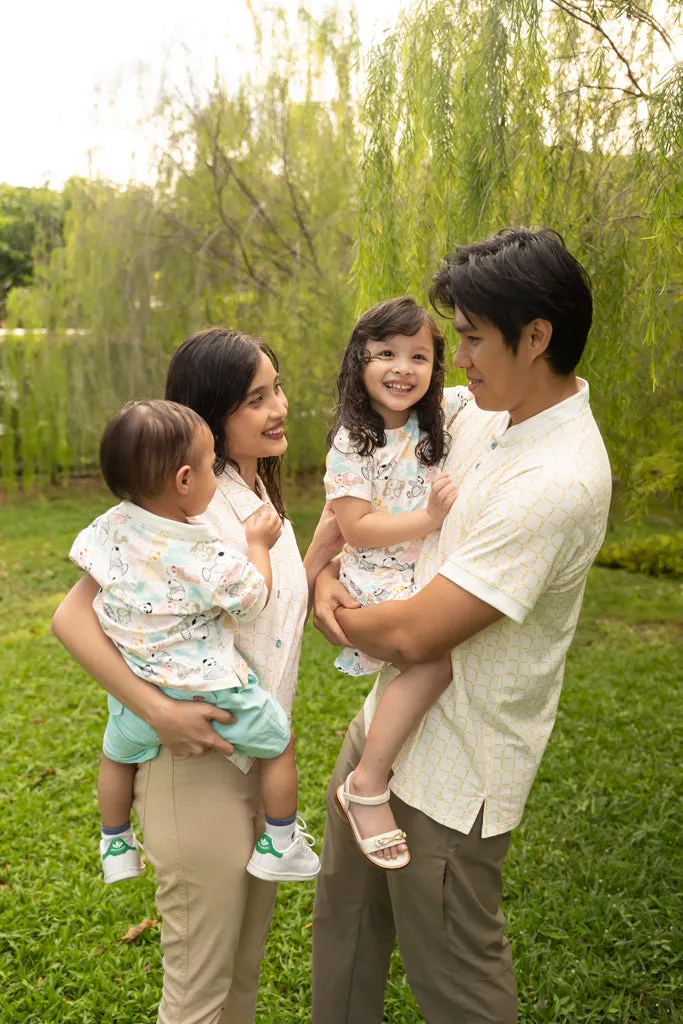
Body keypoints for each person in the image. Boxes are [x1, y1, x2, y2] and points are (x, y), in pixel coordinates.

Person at [312, 228, 612, 1024]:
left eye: (473, 339)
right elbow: (367, 464)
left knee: (457, 985)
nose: (457, 359)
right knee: (343, 929)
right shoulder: (480, 409)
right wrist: (319, 568)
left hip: (454, 765)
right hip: (383, 727)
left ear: (536, 337)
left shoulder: (556, 480)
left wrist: (337, 612)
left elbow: (416, 637)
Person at [52, 328, 342, 1024]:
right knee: (199, 991)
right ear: (212, 414)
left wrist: (325, 558)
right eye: (256, 398)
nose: (279, 407)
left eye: (276, 388)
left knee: (239, 974)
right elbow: (71, 619)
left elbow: (260, 613)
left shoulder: (240, 494)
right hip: (197, 764)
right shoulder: (177, 511)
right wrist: (156, 711)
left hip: (251, 755)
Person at [70, 398, 320, 885]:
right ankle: (282, 841)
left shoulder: (109, 527)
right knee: (279, 742)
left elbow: (84, 563)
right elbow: (251, 598)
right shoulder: (201, 551)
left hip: (135, 690)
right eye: (209, 468)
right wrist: (256, 546)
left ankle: (116, 842)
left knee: (115, 756)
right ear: (185, 480)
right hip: (208, 689)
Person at [324, 296, 468, 868]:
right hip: (377, 576)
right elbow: (355, 528)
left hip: (417, 572)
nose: (402, 368)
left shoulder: (438, 423)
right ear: (359, 362)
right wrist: (429, 519)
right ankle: (367, 782)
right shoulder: (352, 443)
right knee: (432, 660)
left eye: (419, 356)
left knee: (435, 659)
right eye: (386, 354)